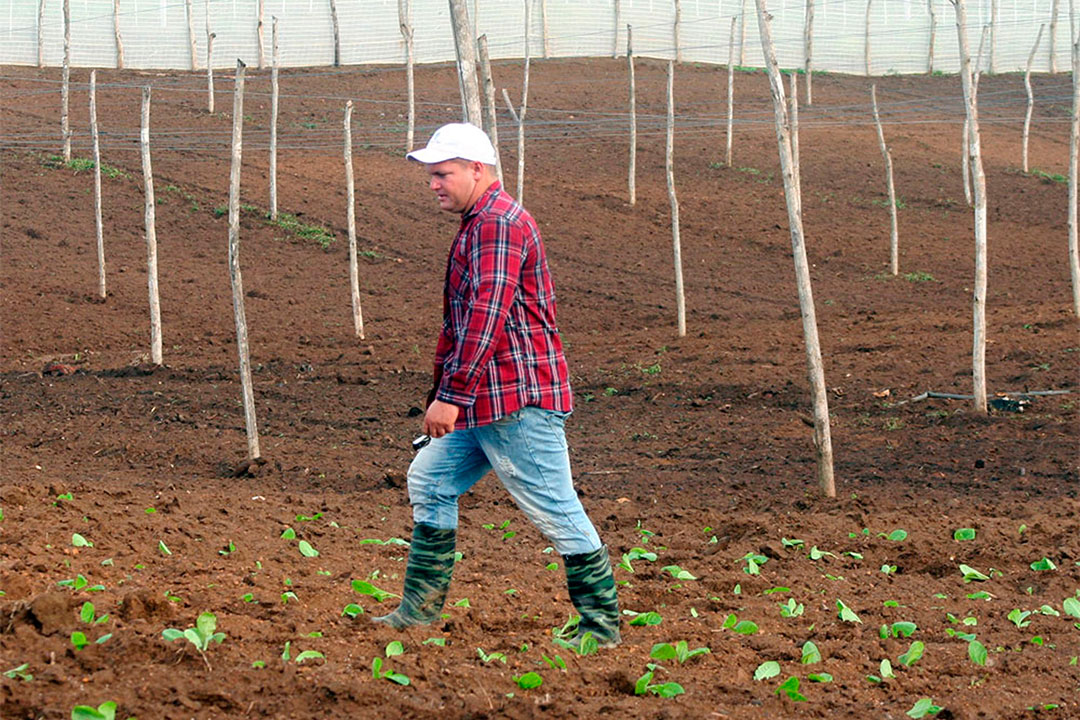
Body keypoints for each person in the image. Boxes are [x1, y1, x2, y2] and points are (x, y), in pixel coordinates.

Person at [372, 122, 620, 649]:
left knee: (555, 508)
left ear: (476, 170)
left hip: (515, 400)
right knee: (430, 481)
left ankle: (600, 628)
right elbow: (466, 322)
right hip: (488, 397)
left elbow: (486, 315)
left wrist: (450, 396)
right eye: (431, 175)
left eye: (443, 174)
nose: (433, 184)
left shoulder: (497, 225)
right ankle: (417, 613)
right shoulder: (481, 221)